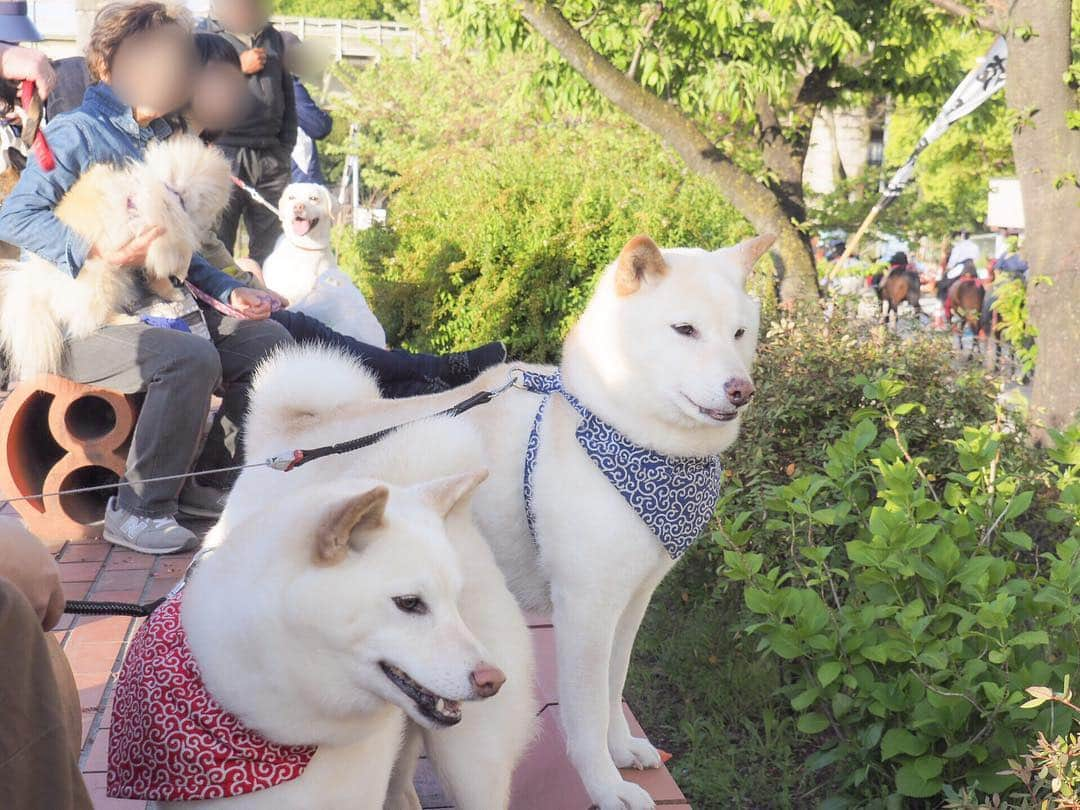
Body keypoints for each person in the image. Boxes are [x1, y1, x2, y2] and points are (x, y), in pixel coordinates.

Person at [0, 2, 292, 554]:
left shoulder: (156, 138)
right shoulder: (75, 133)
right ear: (110, 65)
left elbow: (178, 251)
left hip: (151, 311)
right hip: (79, 320)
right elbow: (13, 217)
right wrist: (93, 247)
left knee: (266, 342)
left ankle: (206, 482)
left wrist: (231, 289)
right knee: (188, 358)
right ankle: (137, 508)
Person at [185, 32, 506, 396]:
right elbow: (186, 257)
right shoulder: (170, 150)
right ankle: (427, 380)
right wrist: (236, 289)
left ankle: (430, 374)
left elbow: (206, 246)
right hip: (192, 311)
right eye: (221, 81)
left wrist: (247, 284)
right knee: (293, 334)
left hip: (218, 296)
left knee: (307, 327)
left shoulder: (198, 144)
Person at [198, 0, 294, 264]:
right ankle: (223, 302)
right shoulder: (203, 35)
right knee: (219, 240)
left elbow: (288, 96)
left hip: (271, 156)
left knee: (273, 245)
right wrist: (238, 67)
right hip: (225, 152)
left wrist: (285, 149)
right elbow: (193, 89)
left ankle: (269, 302)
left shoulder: (272, 37)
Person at [279, 30, 331, 185]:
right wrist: (326, 119)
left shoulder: (256, 81)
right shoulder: (288, 85)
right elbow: (318, 126)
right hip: (297, 176)